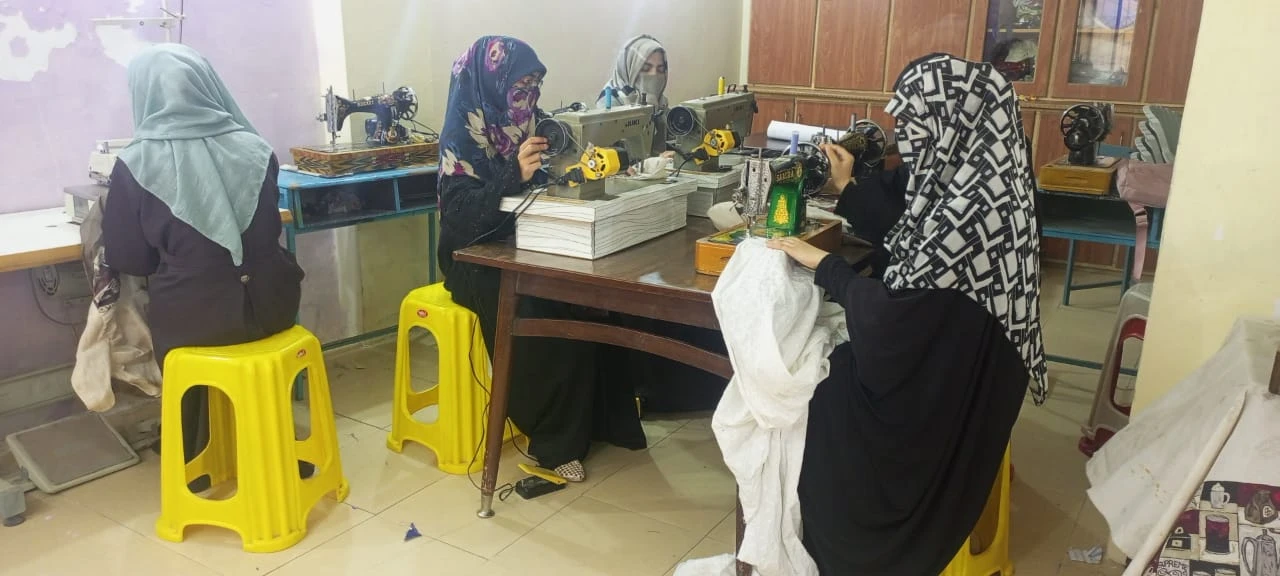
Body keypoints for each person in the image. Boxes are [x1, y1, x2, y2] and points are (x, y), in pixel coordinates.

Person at [769, 53, 1047, 575]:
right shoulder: (993, 183)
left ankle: (831, 550)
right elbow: (912, 240)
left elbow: (890, 324)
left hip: (931, 408)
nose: (909, 143)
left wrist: (828, 268)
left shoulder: (967, 214)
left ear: (948, 125)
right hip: (965, 380)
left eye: (916, 128)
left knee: (807, 387)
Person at [436, 36, 645, 482]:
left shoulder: (533, 123)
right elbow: (460, 219)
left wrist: (587, 162)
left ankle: (600, 421)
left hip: (523, 240)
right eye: (519, 88)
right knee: (537, 303)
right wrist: (513, 173)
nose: (527, 99)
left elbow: (560, 170)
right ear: (490, 85)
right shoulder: (461, 139)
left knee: (589, 291)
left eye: (534, 88)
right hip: (472, 258)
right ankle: (553, 440)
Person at [101, 44, 305, 486]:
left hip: (198, 321)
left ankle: (195, 457)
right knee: (214, 296)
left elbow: (130, 258)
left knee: (181, 309)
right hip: (274, 306)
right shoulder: (256, 147)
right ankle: (271, 441)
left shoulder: (136, 164)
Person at [596, 34, 671, 158]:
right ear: (629, 68)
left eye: (660, 69)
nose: (654, 75)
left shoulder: (661, 103)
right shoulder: (608, 104)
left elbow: (672, 142)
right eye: (645, 68)